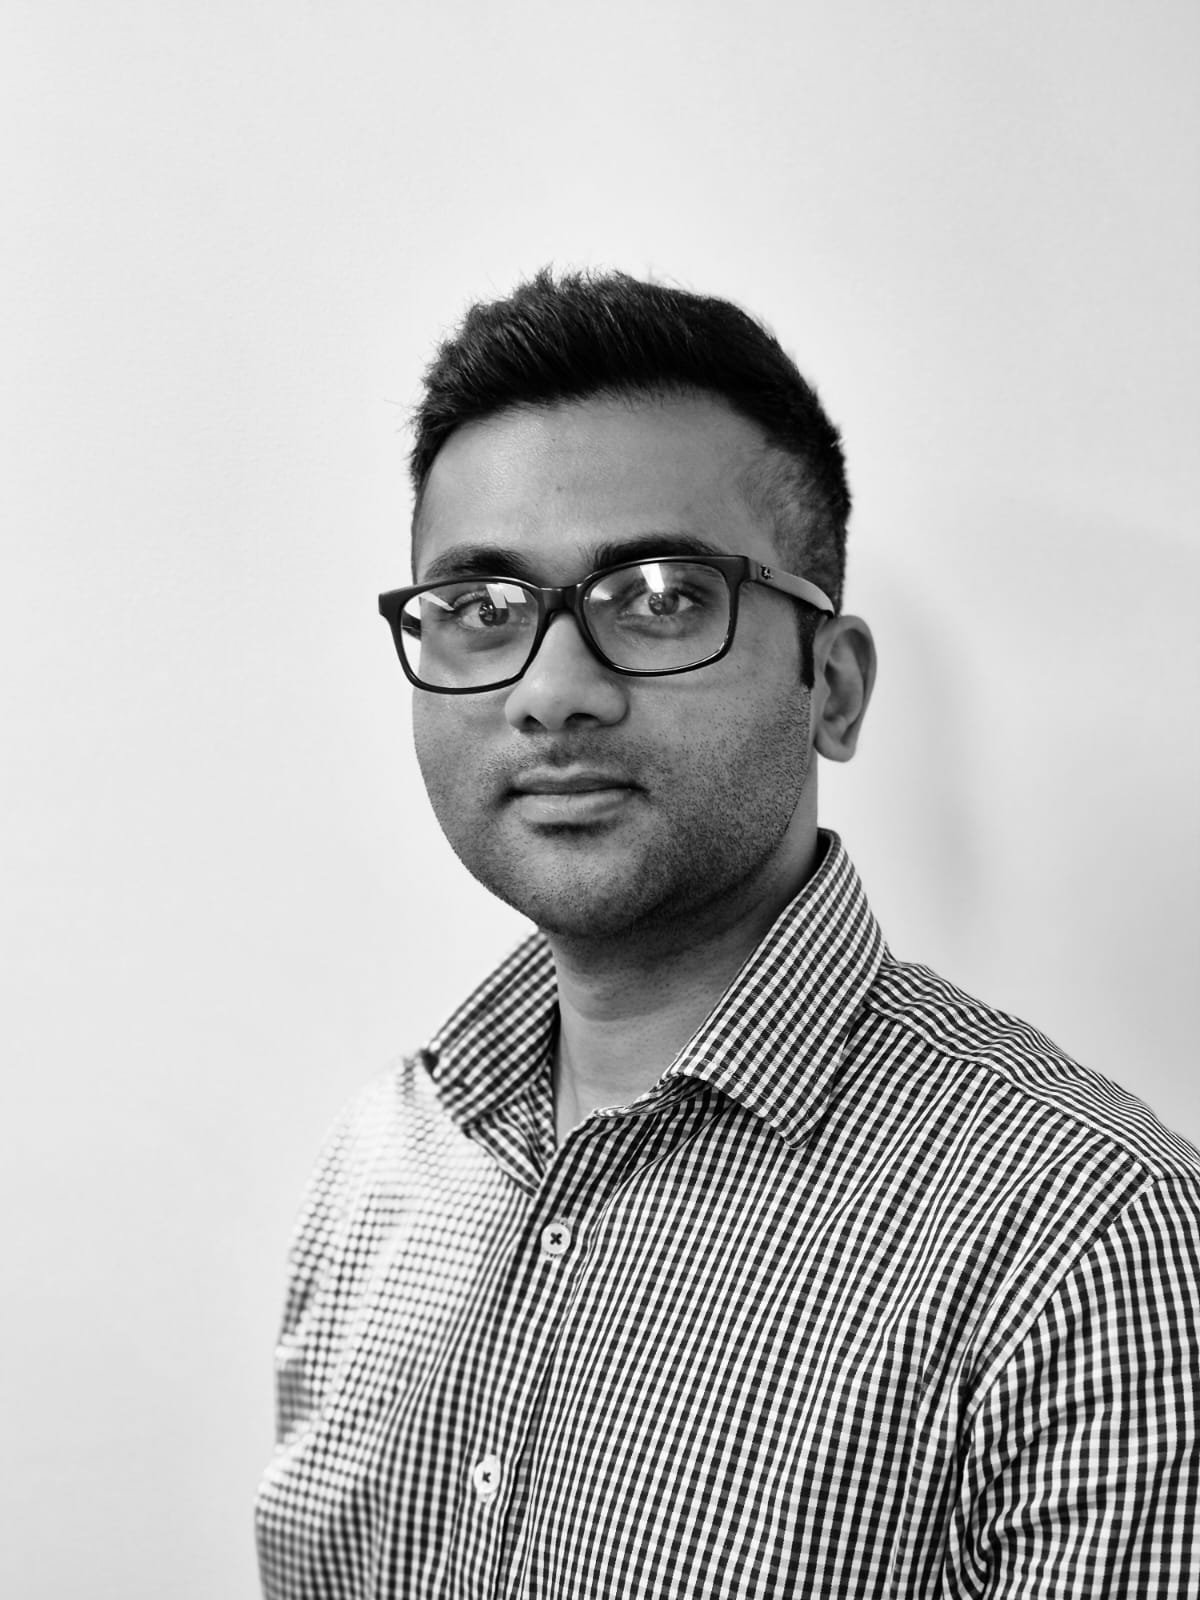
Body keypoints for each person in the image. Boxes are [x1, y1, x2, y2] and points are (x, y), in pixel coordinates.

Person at [255, 270, 1200, 1599]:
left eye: (656, 597)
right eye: (481, 610)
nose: (553, 691)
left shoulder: (1086, 1240)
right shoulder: (376, 1173)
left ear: (833, 684)